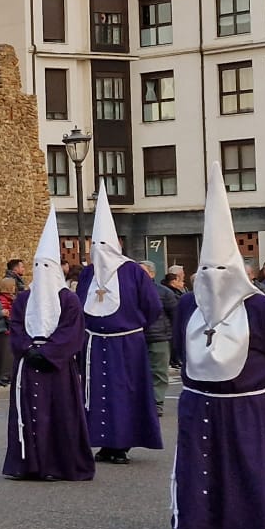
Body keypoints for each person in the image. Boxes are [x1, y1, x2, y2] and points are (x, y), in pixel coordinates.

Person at [169, 163, 265, 529]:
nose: (212, 276)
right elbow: (181, 347)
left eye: (220, 268)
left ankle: (251, 528)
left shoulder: (262, 309)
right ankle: (193, 522)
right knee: (196, 463)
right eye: (204, 268)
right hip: (199, 399)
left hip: (246, 401)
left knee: (248, 465)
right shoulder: (189, 306)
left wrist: (261, 390)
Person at [5, 210, 95, 483]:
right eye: (37, 267)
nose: (41, 273)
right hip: (29, 365)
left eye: (47, 267)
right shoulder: (24, 299)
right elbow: (17, 326)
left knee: (58, 414)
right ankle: (28, 464)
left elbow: (72, 330)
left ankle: (56, 463)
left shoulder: (68, 299)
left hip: (56, 368)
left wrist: (48, 353)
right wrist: (27, 349)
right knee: (30, 414)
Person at [76, 198, 163, 465]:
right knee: (96, 392)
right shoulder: (88, 273)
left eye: (105, 245)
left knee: (123, 391)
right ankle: (103, 441)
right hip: (93, 343)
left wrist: (132, 328)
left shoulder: (132, 272)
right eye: (96, 245)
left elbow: (152, 306)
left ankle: (122, 443)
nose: (100, 251)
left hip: (125, 344)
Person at [144, 263, 175, 419]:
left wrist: (170, 334)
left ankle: (157, 403)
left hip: (158, 337)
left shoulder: (164, 292)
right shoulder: (128, 290)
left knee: (159, 372)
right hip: (136, 337)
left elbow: (174, 313)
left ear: (152, 274)